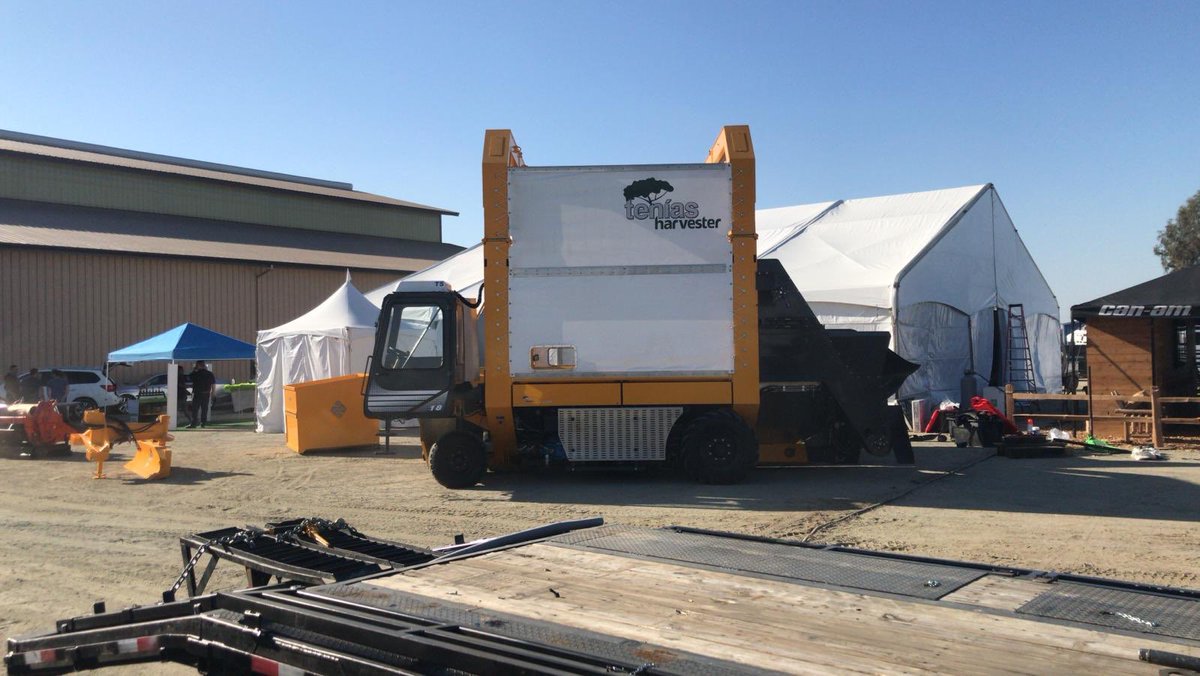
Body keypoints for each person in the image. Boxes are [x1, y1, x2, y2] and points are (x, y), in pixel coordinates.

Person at [188, 361, 216, 428]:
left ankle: (194, 423)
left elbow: (189, 377)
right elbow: (213, 384)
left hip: (197, 393)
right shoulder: (210, 374)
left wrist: (194, 370)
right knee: (204, 409)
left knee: (195, 409)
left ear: (198, 365)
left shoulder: (196, 374)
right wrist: (213, 393)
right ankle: (203, 423)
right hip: (206, 393)